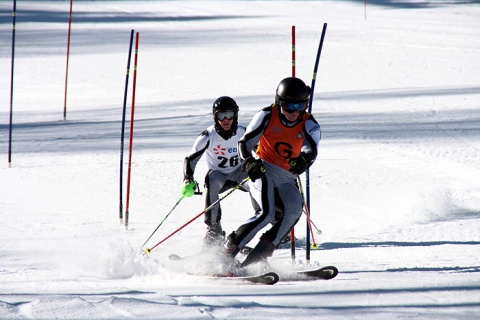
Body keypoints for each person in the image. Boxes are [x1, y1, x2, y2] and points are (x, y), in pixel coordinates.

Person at [222, 77, 321, 268]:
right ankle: (228, 250)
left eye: (299, 106)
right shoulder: (267, 115)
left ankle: (257, 258)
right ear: (279, 102)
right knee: (266, 213)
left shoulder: (309, 123)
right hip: (263, 169)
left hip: (287, 176)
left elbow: (312, 150)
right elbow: (244, 143)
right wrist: (249, 162)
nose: (294, 112)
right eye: (289, 105)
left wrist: (303, 161)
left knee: (293, 210)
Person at [182, 96, 250, 247]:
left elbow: (262, 150)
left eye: (229, 115)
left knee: (259, 183)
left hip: (240, 172)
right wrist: (188, 178)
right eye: (221, 115)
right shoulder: (208, 136)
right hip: (219, 175)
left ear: (235, 115)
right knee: (211, 179)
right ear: (215, 116)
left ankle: (273, 222)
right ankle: (214, 230)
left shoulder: (243, 132)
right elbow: (190, 159)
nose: (225, 119)